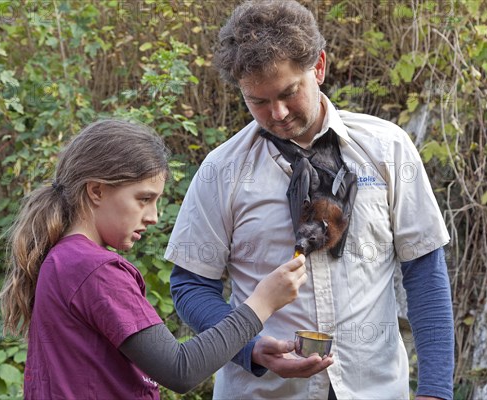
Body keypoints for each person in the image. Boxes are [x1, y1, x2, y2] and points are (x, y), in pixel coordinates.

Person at [165, 1, 454, 399]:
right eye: (258, 101)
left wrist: (436, 390)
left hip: (375, 389)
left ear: (318, 66)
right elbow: (190, 285)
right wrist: (248, 347)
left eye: (288, 92)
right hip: (262, 391)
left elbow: (424, 270)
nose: (278, 113)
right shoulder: (222, 170)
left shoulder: (387, 149)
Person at [0, 119, 309, 399]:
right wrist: (262, 303)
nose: (154, 217)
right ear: (96, 191)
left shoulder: (62, 259)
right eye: (143, 199)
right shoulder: (95, 270)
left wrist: (249, 345)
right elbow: (180, 370)